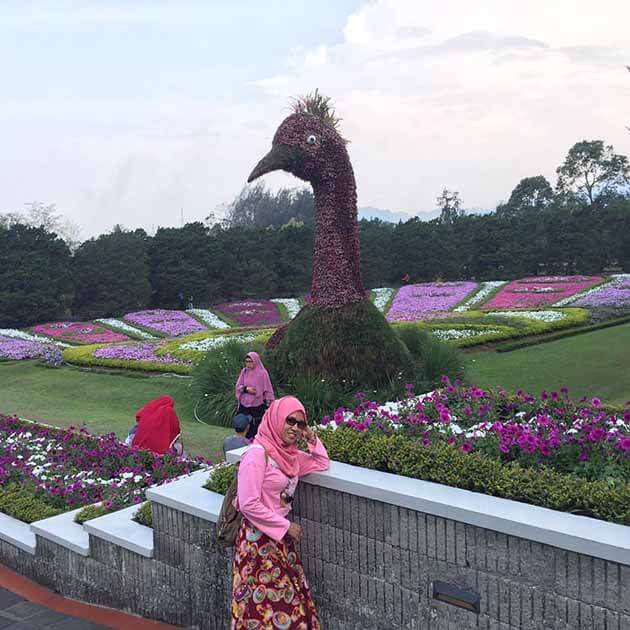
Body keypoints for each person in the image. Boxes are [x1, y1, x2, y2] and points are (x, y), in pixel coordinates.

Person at [231, 396, 329, 628]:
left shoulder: (290, 457)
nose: (295, 428)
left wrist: (311, 438)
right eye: (290, 421)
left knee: (282, 607)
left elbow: (321, 462)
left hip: (279, 542)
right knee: (271, 610)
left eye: (300, 424)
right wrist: (286, 526)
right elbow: (248, 503)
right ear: (276, 419)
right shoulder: (257, 456)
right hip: (257, 544)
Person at [234, 351, 275, 439]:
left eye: (250, 361)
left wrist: (269, 406)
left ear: (256, 361)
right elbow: (238, 386)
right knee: (242, 425)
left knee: (255, 429)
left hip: (257, 406)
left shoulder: (262, 373)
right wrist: (246, 389)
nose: (248, 364)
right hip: (244, 405)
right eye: (247, 361)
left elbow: (267, 390)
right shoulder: (244, 371)